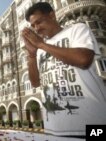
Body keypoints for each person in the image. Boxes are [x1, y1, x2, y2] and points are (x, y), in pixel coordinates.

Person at [21, 2, 106, 136]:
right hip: (55, 129)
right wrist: (32, 55)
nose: (36, 28)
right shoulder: (41, 49)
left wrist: (41, 45)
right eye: (33, 26)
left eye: (39, 22)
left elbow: (83, 60)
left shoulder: (77, 29)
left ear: (52, 15)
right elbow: (35, 83)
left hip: (93, 125)